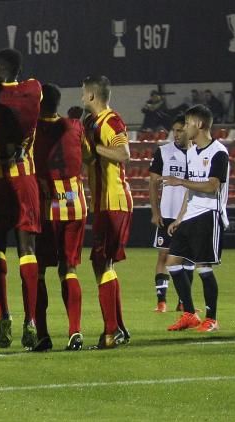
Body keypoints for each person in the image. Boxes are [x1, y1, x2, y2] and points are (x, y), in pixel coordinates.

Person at [0, 48, 42, 349]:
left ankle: (5, 315)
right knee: (27, 248)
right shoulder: (33, 90)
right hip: (24, 176)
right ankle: (31, 320)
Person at [163, 105, 229, 333]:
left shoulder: (219, 152)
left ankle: (211, 318)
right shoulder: (192, 153)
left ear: (199, 125)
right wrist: (180, 218)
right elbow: (190, 191)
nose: (186, 128)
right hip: (191, 215)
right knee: (172, 263)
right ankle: (190, 314)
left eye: (189, 124)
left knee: (203, 267)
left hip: (209, 213)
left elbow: (212, 186)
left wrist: (180, 181)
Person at [31, 83, 87, 351]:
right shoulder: (75, 126)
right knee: (69, 269)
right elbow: (85, 156)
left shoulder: (31, 131)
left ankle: (42, 335)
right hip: (75, 203)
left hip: (45, 206)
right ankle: (75, 331)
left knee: (38, 272)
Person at [81, 75, 132, 349]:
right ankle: (117, 329)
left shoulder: (112, 120)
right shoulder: (93, 124)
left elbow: (123, 153)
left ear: (91, 96)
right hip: (103, 203)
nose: (81, 98)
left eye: (83, 93)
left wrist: (95, 147)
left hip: (114, 201)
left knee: (103, 262)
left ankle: (111, 332)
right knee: (102, 263)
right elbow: (90, 157)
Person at [148, 114, 194, 313]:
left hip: (190, 214)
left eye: (180, 130)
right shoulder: (164, 152)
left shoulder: (197, 154)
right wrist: (155, 211)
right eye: (174, 130)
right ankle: (161, 301)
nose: (176, 134)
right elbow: (153, 183)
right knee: (164, 256)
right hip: (166, 213)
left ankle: (184, 302)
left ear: (189, 130)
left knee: (189, 258)